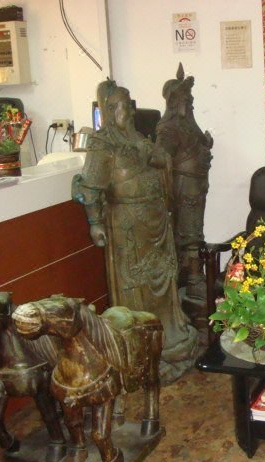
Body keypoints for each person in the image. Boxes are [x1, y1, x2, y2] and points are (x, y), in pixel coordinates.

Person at [72, 79, 197, 384]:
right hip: (128, 225)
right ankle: (142, 347)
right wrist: (95, 223)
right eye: (123, 106)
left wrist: (159, 158)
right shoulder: (102, 144)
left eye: (130, 105)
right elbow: (90, 187)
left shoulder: (139, 139)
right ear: (109, 109)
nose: (129, 111)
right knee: (136, 286)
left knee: (164, 280)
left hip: (156, 221)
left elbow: (160, 161)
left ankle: (170, 334)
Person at [156, 62, 213, 299]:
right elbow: (161, 156)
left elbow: (200, 143)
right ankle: (192, 278)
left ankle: (193, 275)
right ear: (174, 101)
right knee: (189, 232)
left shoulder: (188, 124)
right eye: (186, 99)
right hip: (184, 186)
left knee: (195, 229)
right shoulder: (168, 128)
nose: (190, 102)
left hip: (197, 185)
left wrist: (206, 143)